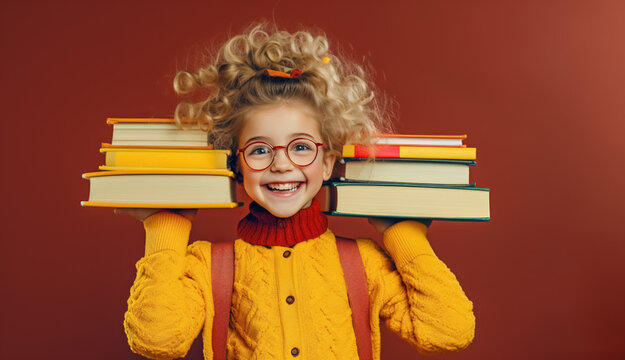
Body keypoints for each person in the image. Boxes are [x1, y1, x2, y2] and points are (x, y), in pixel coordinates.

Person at [116, 24, 475, 359]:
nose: (282, 164)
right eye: (259, 149)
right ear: (237, 166)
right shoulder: (207, 265)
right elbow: (156, 340)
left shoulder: (363, 262)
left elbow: (449, 330)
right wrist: (167, 226)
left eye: (301, 147)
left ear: (327, 162)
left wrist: (402, 232)